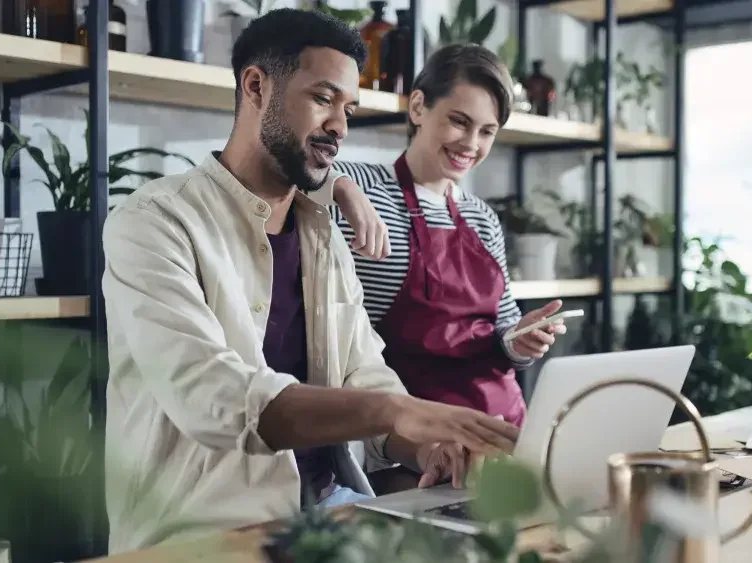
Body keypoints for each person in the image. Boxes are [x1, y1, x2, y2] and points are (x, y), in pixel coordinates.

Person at [100, 9, 519, 554]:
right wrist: (400, 411)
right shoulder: (154, 222)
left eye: (348, 109)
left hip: (329, 519)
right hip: (201, 538)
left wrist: (424, 447)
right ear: (256, 86)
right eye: (323, 99)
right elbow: (214, 398)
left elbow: (364, 374)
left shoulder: (322, 235)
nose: (341, 127)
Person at [326, 44, 568, 427]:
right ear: (418, 107)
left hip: (503, 423)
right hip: (411, 431)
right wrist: (339, 186)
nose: (471, 144)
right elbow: (283, 174)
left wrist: (521, 340)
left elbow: (502, 334)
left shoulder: (482, 217)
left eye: (487, 131)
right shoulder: (362, 186)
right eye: (459, 121)